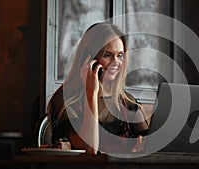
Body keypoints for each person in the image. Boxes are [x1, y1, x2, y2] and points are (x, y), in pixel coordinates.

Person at [47, 22, 150, 155]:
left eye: (120, 55)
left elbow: (150, 144)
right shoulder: (65, 99)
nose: (116, 62)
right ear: (89, 59)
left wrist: (144, 147)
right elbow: (88, 151)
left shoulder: (127, 103)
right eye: (107, 54)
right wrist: (91, 93)